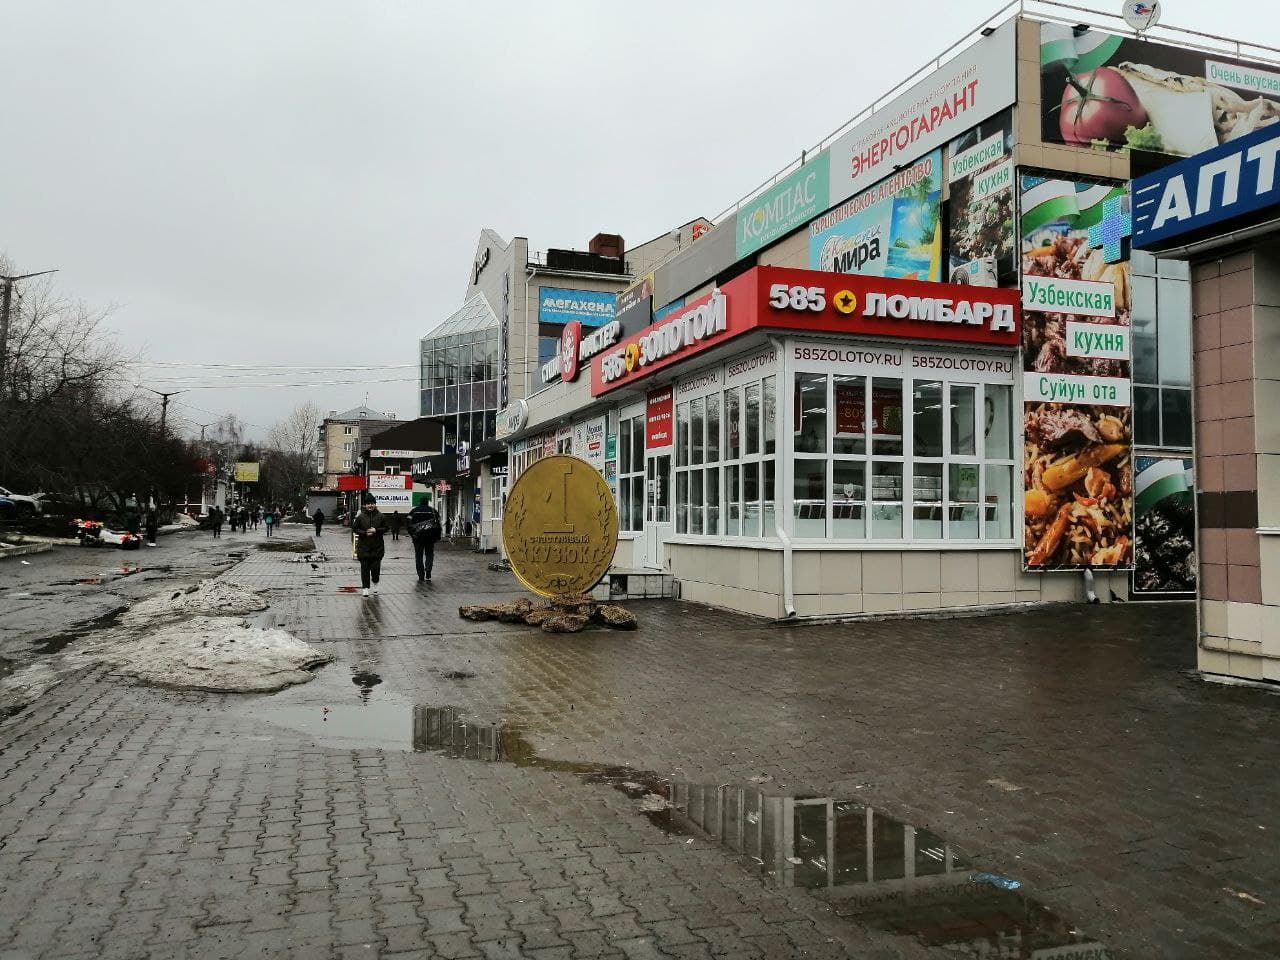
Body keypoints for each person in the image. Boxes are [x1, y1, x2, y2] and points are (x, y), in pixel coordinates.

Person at [351, 493, 388, 597]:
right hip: (364, 548)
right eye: (368, 504)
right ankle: (365, 588)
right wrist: (364, 533)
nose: (370, 506)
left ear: (375, 504)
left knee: (375, 569)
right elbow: (354, 528)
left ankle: (375, 583)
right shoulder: (361, 517)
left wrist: (376, 530)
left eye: (372, 503)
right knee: (365, 569)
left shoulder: (381, 516)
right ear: (365, 505)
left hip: (377, 548)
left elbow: (386, 528)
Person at [407, 500, 441, 582]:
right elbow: (438, 524)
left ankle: (420, 574)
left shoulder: (414, 511)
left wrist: (412, 534)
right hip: (430, 538)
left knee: (419, 556)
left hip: (418, 538)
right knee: (429, 554)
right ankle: (428, 569)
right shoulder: (433, 511)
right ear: (427, 503)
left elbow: (408, 523)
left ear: (420, 503)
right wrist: (438, 536)